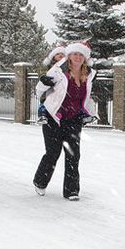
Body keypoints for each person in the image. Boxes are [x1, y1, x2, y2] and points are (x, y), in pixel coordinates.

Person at [32, 41, 97, 200]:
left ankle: (71, 191)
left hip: (73, 119)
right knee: (53, 152)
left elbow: (86, 97)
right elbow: (40, 89)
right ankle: (40, 181)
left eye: (81, 54)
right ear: (69, 56)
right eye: (75, 54)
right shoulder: (59, 70)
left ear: (85, 58)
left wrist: (91, 113)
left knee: (73, 154)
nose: (78, 57)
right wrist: (44, 82)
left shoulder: (88, 74)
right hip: (53, 117)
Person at [36, 45, 67, 125]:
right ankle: (42, 116)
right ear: (53, 57)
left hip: (62, 90)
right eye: (58, 54)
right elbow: (41, 71)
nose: (60, 55)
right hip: (49, 89)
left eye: (62, 54)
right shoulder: (49, 66)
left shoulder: (66, 66)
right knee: (44, 103)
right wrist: (43, 77)